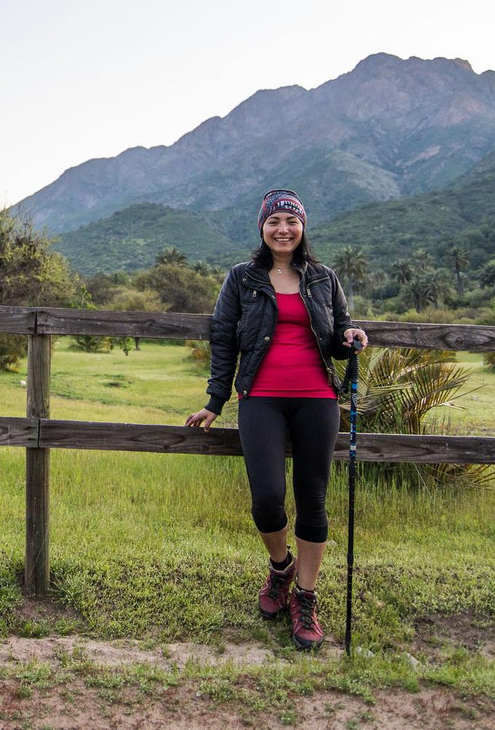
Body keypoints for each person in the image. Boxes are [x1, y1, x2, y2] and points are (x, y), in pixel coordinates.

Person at [185, 189, 368, 651]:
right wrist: (215, 399)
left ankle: (305, 597)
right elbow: (223, 338)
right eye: (274, 221)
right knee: (267, 498)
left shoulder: (324, 278)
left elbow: (337, 334)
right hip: (260, 398)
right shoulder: (241, 278)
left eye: (291, 221)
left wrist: (350, 336)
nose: (283, 229)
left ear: (302, 227)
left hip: (317, 399)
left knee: (313, 499)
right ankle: (281, 567)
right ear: (262, 228)